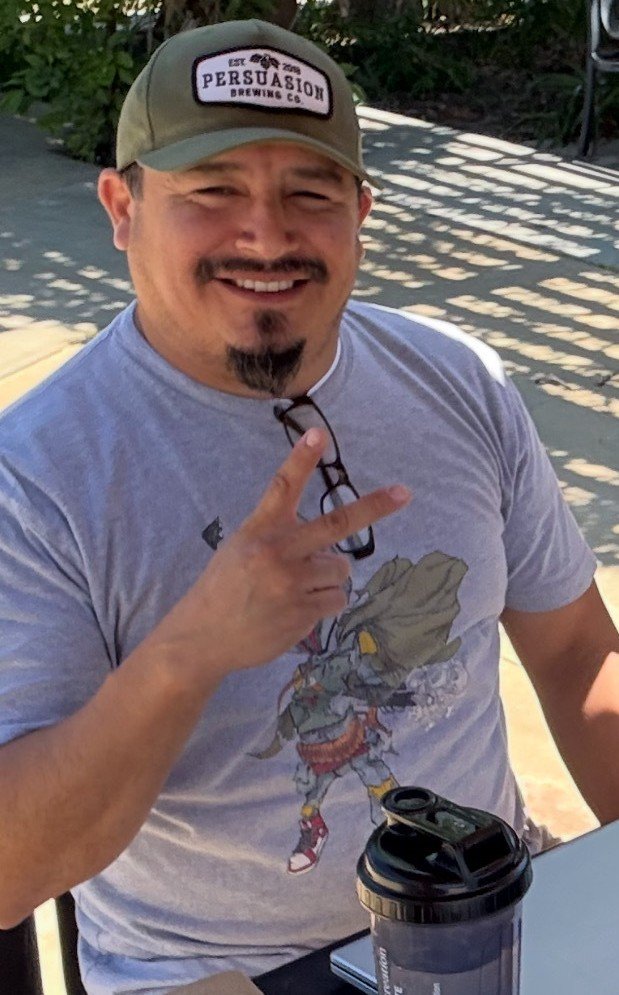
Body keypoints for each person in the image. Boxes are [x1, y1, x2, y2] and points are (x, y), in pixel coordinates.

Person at [0, 16, 617, 995]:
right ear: (122, 207)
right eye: (213, 192)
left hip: (480, 916)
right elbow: (11, 868)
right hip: (213, 970)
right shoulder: (36, 473)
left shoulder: (456, 379)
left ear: (360, 209)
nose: (266, 232)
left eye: (308, 191)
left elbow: (580, 655)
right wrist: (189, 649)